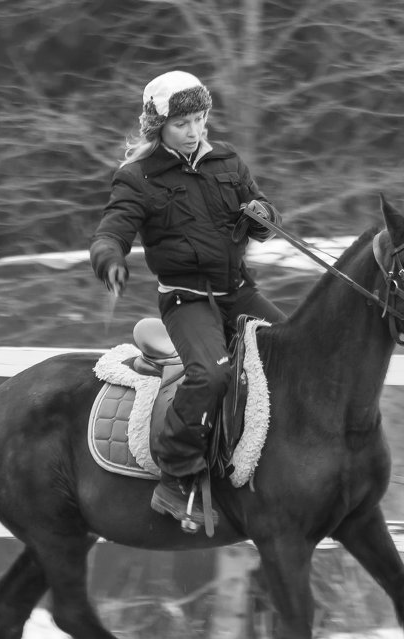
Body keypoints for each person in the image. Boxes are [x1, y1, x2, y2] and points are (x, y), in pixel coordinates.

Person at [89, 70, 287, 529]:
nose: (195, 130)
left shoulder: (229, 161)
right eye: (183, 123)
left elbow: (263, 212)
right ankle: (174, 477)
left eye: (200, 119)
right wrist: (109, 259)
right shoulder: (137, 177)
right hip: (187, 300)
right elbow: (112, 229)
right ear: (159, 127)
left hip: (239, 292)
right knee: (211, 375)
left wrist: (264, 216)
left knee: (294, 350)